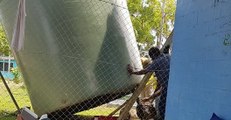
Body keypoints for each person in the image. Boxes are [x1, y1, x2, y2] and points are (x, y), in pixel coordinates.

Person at [127, 47, 170, 120]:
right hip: (169, 86)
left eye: (151, 57)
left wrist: (132, 72)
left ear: (153, 55)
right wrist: (150, 98)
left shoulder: (157, 61)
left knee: (161, 107)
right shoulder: (167, 57)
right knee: (164, 106)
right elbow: (162, 88)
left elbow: (144, 71)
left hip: (164, 87)